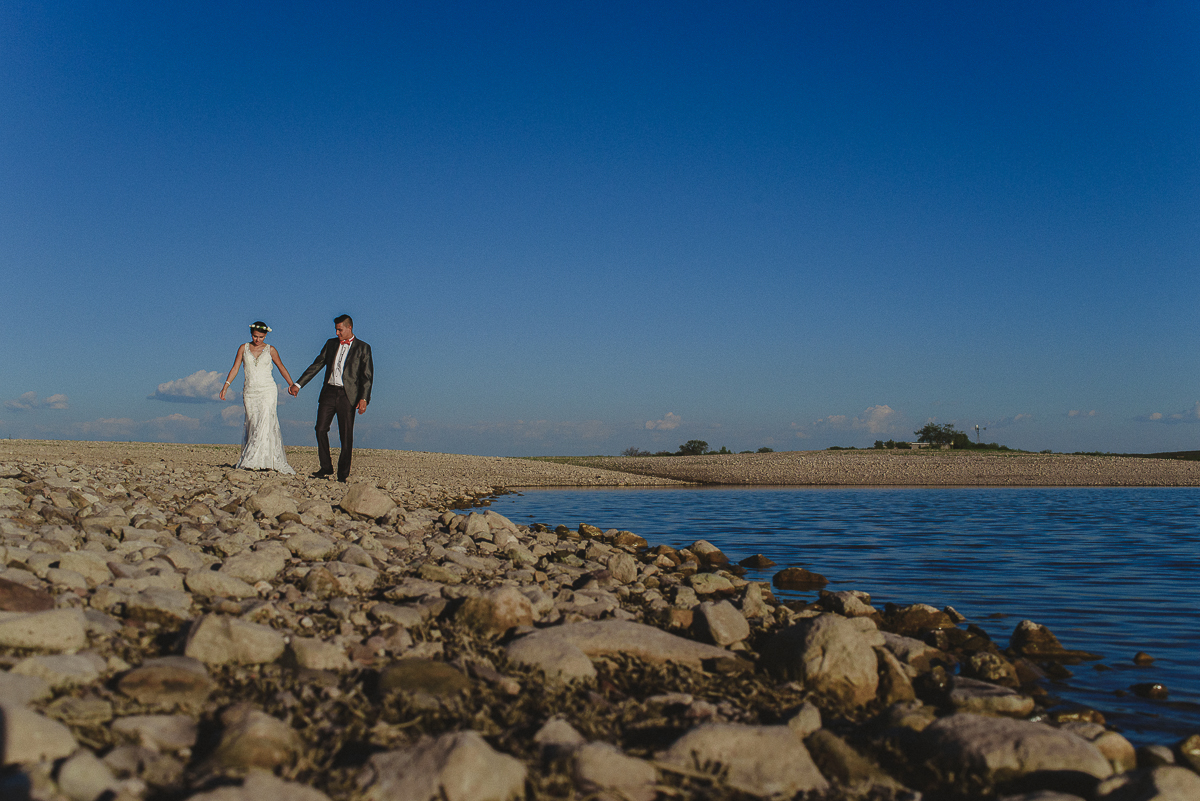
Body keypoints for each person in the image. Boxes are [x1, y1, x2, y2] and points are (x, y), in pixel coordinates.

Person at [290, 314, 373, 482]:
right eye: (336, 329)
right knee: (320, 429)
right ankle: (326, 467)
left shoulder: (364, 347)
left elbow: (367, 376)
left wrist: (364, 398)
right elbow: (317, 365)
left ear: (349, 328)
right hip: (328, 392)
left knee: (346, 435)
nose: (337, 333)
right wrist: (298, 384)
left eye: (340, 330)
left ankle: (342, 475)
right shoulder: (330, 344)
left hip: (348, 395)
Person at [219, 321, 297, 474]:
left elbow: (281, 367)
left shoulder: (271, 350)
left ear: (265, 335)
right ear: (251, 335)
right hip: (250, 391)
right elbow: (235, 367)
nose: (257, 340)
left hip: (268, 390)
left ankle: (261, 460)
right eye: (255, 336)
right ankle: (257, 459)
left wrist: (292, 384)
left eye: (261, 337)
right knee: (253, 423)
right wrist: (226, 386)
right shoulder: (243, 348)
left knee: (266, 422)